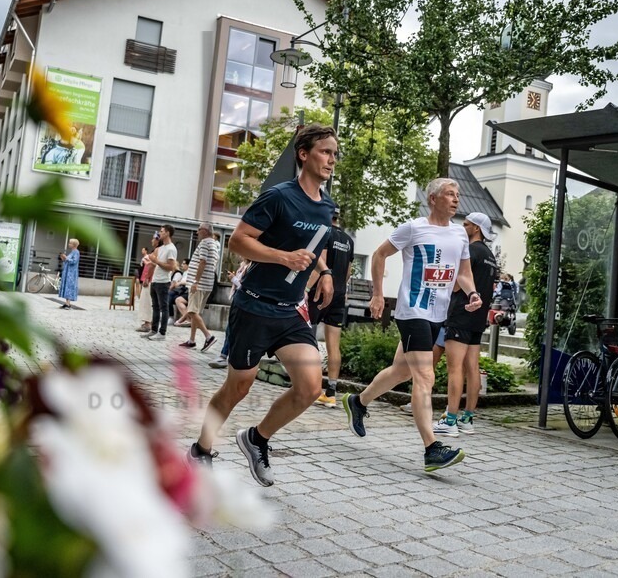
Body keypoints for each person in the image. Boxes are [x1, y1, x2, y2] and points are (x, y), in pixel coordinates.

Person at [187, 124, 337, 487]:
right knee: (239, 386)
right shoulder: (278, 197)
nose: (332, 159)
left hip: (289, 310)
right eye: (325, 152)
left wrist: (324, 271)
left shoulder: (327, 206)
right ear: (304, 154)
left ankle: (257, 439)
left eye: (335, 153)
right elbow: (239, 241)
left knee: (310, 386)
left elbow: (315, 243)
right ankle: (200, 450)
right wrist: (284, 257)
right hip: (254, 306)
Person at [341, 178, 481, 475]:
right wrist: (378, 294)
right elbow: (379, 254)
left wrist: (472, 293)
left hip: (437, 314)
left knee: (401, 371)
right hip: (412, 310)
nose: (456, 199)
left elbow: (464, 273)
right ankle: (432, 449)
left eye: (458, 195)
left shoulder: (459, 234)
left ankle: (358, 401)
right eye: (450, 194)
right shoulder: (413, 228)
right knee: (425, 376)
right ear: (433, 199)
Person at [432, 211, 498, 437]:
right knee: (473, 369)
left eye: (467, 224)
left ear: (476, 228)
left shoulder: (470, 251)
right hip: (478, 319)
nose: (463, 227)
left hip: (461, 314)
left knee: (455, 369)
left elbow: (458, 284)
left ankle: (450, 420)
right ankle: (467, 419)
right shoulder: (490, 255)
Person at [307, 206, 354, 408]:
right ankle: (331, 393)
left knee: (308, 340)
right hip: (339, 294)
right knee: (334, 345)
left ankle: (311, 387)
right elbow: (348, 272)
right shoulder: (349, 240)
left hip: (320, 292)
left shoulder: (324, 233)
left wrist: (305, 289)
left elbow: (321, 266)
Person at [178, 224, 220, 352]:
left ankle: (208, 337)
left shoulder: (205, 243)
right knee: (196, 312)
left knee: (191, 311)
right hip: (207, 284)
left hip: (199, 284)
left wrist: (196, 281)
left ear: (205, 231)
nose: (197, 232)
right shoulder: (214, 244)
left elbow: (203, 261)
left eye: (199, 229)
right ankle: (192, 340)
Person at [208, 257, 251, 369]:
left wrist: (233, 279)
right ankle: (227, 355)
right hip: (237, 299)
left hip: (244, 302)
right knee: (231, 329)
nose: (240, 256)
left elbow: (245, 287)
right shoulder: (243, 266)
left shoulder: (250, 267)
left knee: (233, 329)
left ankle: (226, 356)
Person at [147, 225, 178, 340]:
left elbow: (171, 267)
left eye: (161, 231)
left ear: (168, 233)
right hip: (155, 280)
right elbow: (157, 263)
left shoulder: (171, 249)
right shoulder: (161, 248)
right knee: (155, 306)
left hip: (163, 282)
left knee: (164, 308)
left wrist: (156, 261)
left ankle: (162, 333)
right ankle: (153, 330)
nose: (159, 233)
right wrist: (153, 262)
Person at [135, 236, 158, 332]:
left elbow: (153, 265)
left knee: (146, 301)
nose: (152, 240)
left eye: (154, 239)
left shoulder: (156, 252)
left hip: (150, 280)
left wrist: (147, 278)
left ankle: (147, 323)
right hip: (150, 279)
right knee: (147, 301)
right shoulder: (156, 252)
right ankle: (149, 322)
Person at [58, 238, 80, 309]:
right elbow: (68, 261)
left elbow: (74, 261)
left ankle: (68, 304)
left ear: (74, 245)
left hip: (71, 273)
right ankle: (67, 303)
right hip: (68, 272)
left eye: (70, 243)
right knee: (67, 286)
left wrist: (66, 258)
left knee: (69, 286)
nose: (69, 244)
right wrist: (63, 258)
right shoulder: (72, 252)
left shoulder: (76, 252)